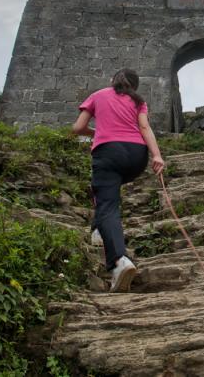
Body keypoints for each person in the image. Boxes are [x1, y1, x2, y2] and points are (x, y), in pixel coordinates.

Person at [73, 68, 165, 292]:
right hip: (136, 157)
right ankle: (98, 230)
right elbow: (144, 127)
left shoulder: (98, 95)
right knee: (107, 195)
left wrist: (98, 132)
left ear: (112, 81)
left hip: (109, 153)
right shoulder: (138, 101)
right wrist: (157, 155)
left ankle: (118, 262)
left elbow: (77, 128)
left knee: (107, 204)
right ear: (134, 86)